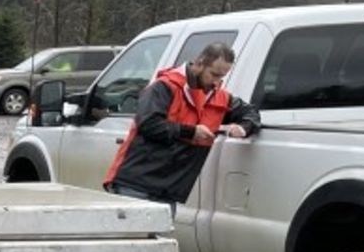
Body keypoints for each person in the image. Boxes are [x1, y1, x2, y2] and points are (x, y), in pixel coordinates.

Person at [102, 41, 261, 209]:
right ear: (199, 64)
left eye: (222, 77)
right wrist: (191, 132)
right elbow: (148, 124)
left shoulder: (220, 98)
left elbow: (251, 113)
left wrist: (243, 128)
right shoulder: (164, 87)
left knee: (157, 235)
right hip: (135, 184)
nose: (216, 82)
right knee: (132, 234)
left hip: (169, 189)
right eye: (214, 74)